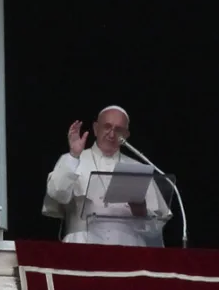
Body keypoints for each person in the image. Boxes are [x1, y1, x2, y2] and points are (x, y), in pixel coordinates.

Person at [42, 105, 172, 246]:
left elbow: (156, 229)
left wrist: (141, 212)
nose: (111, 134)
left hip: (129, 251)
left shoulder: (138, 169)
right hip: (81, 248)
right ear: (95, 128)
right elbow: (56, 193)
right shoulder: (73, 160)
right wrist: (74, 155)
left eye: (118, 130)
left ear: (127, 135)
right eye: (107, 127)